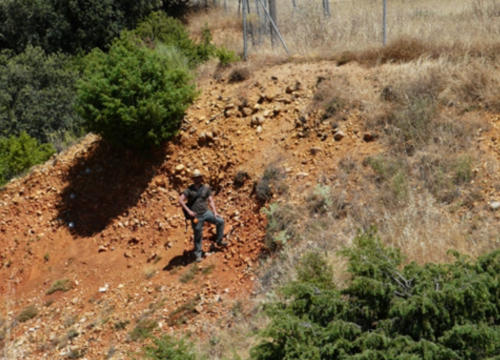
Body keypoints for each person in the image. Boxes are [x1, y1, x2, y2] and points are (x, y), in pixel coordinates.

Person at [178, 169, 227, 262]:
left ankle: (219, 241)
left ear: (201, 178)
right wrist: (189, 212)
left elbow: (211, 200)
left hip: (206, 212)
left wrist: (215, 212)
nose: (197, 179)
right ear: (193, 179)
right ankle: (198, 254)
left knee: (220, 221)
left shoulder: (206, 188)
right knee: (198, 234)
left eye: (199, 177)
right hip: (196, 215)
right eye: (195, 177)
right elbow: (180, 200)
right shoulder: (189, 189)